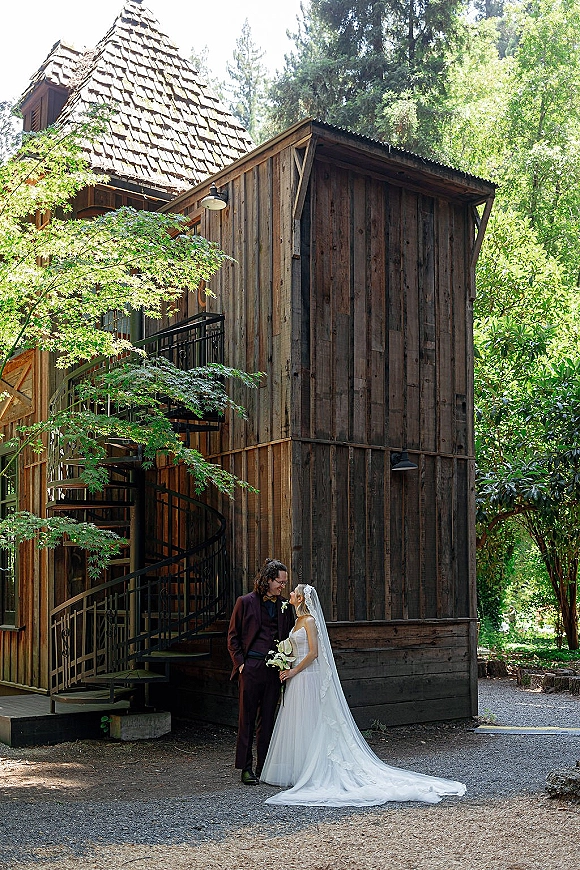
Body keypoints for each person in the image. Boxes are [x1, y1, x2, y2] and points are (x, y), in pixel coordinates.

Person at [260, 584, 467, 806]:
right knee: (299, 723)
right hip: (296, 679)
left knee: (312, 721)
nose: (289, 594)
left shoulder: (309, 621)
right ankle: (299, 769)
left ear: (300, 599)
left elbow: (313, 652)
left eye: (293, 592)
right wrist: (285, 664)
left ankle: (313, 771)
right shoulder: (296, 622)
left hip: (307, 677)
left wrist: (294, 670)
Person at [227, 558, 294, 785]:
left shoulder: (285, 606)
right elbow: (233, 636)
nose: (283, 586)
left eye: (285, 582)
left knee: (267, 720)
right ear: (267, 580)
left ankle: (263, 766)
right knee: (246, 718)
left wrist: (286, 664)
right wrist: (241, 663)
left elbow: (289, 637)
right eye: (280, 581)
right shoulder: (244, 602)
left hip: (274, 669)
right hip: (251, 668)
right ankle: (245, 768)